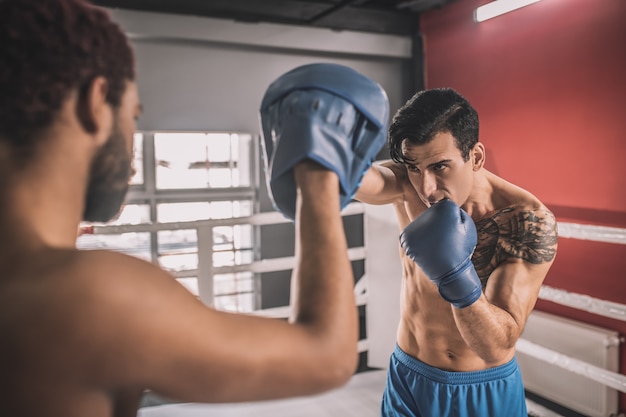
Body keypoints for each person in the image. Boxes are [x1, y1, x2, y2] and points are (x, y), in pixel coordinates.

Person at [0, 1, 389, 416]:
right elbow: (326, 355)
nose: (133, 152)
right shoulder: (87, 296)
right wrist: (316, 168)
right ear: (95, 103)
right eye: (133, 114)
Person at [355, 88, 559, 417]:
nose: (426, 188)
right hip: (406, 377)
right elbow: (369, 181)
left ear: (476, 157)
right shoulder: (410, 185)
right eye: (414, 167)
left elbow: (496, 347)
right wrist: (327, 154)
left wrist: (456, 277)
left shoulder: (525, 222)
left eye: (440, 167)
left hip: (478, 390)